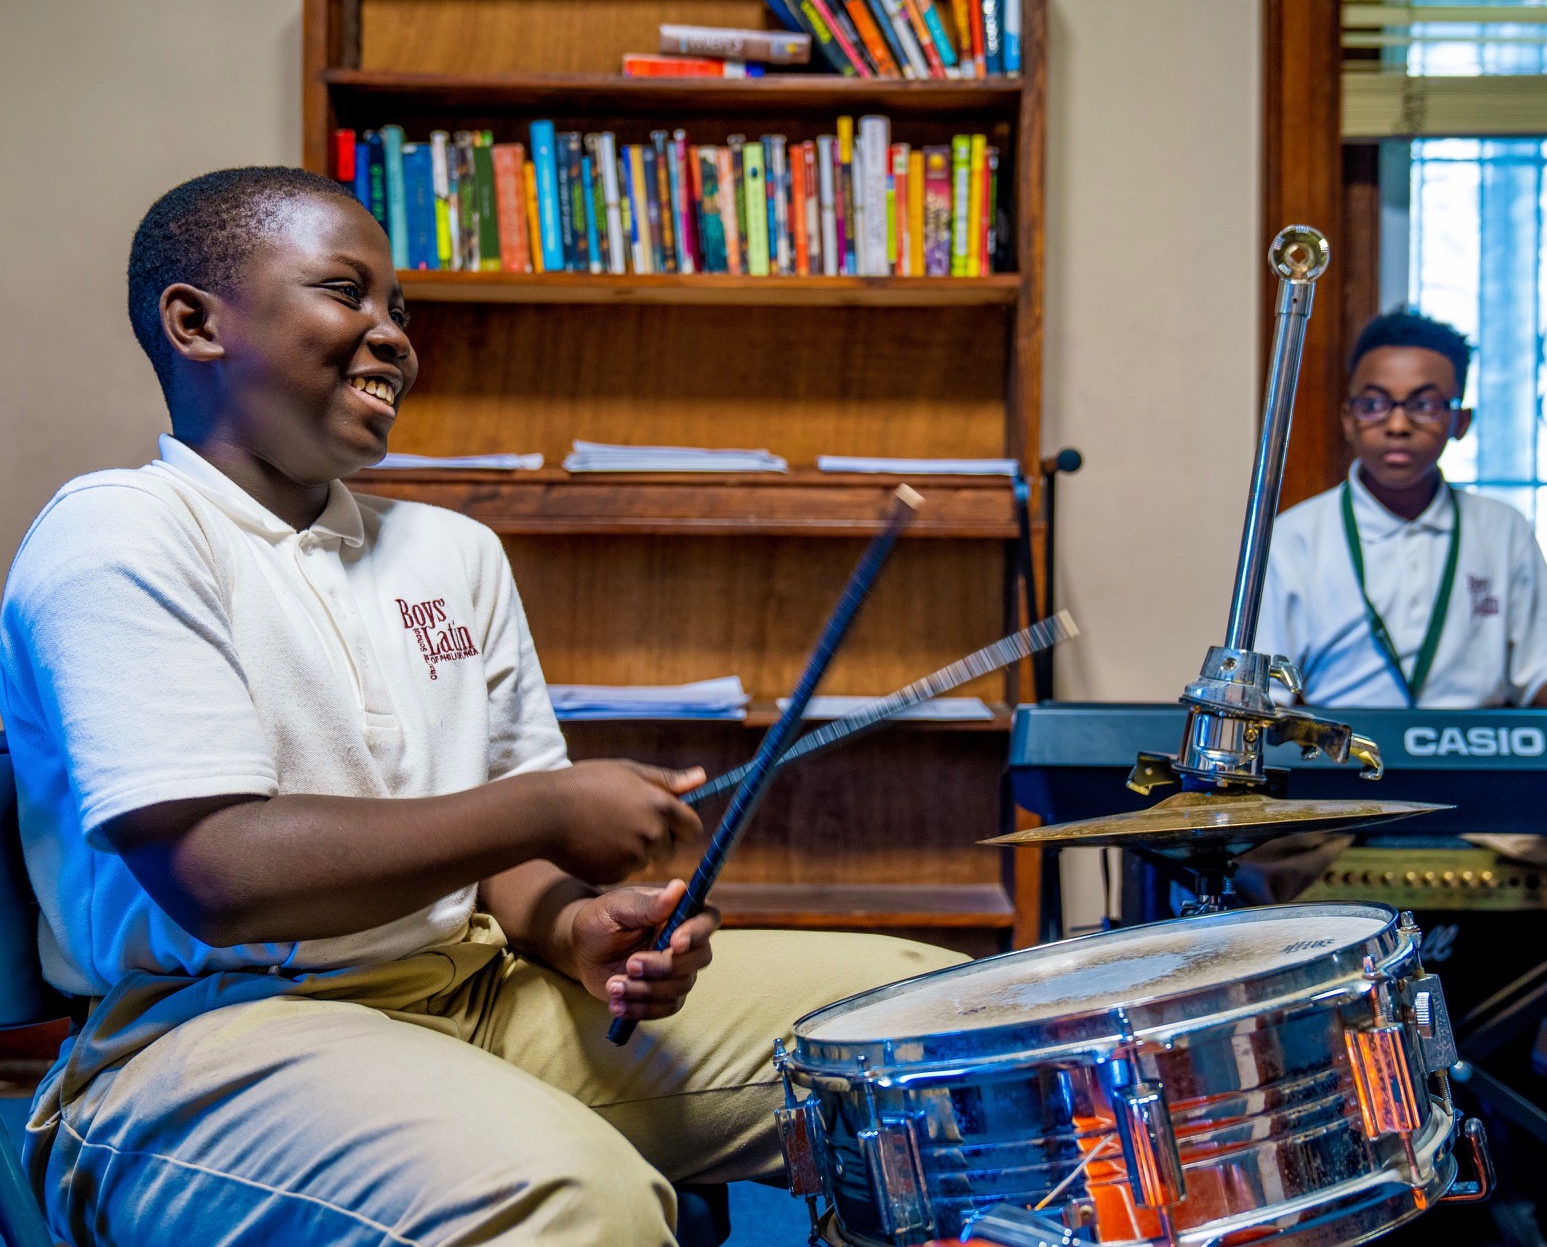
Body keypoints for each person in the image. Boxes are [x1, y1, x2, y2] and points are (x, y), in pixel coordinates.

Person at [0, 167, 962, 1246]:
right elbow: (217, 872)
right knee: (575, 1198)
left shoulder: (453, 551)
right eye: (345, 292)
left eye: (399, 309)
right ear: (196, 322)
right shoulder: (118, 531)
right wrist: (541, 809)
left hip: (474, 993)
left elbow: (504, 867)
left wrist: (573, 925)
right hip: (201, 1045)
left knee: (934, 1025)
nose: (393, 334)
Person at [1250, 308, 1547, 1115]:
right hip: (1340, 797)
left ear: (1457, 420)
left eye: (1425, 403)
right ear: (1349, 413)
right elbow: (1269, 699)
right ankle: (1292, 1104)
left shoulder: (1501, 531)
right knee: (1222, 872)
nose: (1398, 422)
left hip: (1490, 797)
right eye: (1375, 401)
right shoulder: (1297, 537)